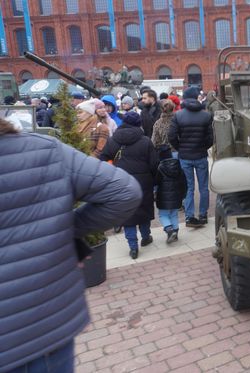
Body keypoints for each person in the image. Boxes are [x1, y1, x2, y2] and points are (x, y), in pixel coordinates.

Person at [0, 117, 141, 373]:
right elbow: (125, 191)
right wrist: (59, 230)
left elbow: (110, 164)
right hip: (42, 326)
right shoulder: (41, 149)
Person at [100, 112, 158, 259]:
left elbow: (103, 159)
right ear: (139, 124)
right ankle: (146, 237)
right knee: (143, 209)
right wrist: (154, 180)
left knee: (127, 214)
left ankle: (133, 247)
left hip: (121, 181)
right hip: (143, 180)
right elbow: (154, 164)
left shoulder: (113, 140)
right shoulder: (145, 141)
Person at [168, 86, 213, 228]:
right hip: (200, 155)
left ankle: (189, 216)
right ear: (196, 97)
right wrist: (203, 147)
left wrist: (180, 147)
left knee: (188, 187)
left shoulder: (178, 115)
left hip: (185, 156)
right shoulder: (206, 115)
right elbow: (211, 138)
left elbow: (171, 136)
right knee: (204, 187)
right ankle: (203, 215)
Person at [155, 151, 187, 244]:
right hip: (177, 197)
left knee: (163, 215)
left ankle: (169, 230)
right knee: (174, 214)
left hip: (164, 197)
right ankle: (175, 233)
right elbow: (184, 182)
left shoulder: (160, 168)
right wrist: (183, 195)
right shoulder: (179, 167)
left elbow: (156, 182)